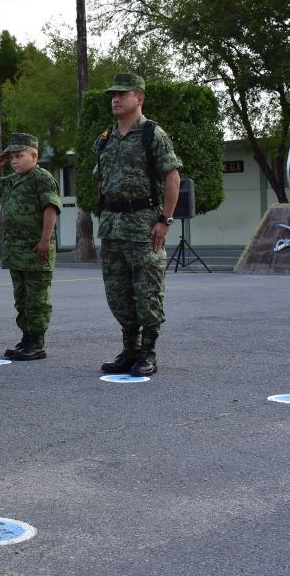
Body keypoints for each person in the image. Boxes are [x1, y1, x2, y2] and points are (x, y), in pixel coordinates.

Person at [94, 73, 181, 377]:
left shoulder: (152, 134)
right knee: (118, 294)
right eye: (113, 95)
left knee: (148, 292)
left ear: (139, 98)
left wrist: (165, 220)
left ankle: (148, 353)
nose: (115, 99)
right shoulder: (105, 138)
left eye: (123, 94)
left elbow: (172, 177)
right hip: (112, 226)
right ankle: (129, 350)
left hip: (143, 225)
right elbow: (102, 182)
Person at [0, 133, 61, 360]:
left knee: (37, 299)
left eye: (19, 156)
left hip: (37, 250)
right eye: (12, 157)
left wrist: (45, 239)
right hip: (16, 251)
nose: (14, 161)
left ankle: (36, 343)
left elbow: (50, 209)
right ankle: (26, 338)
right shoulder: (12, 180)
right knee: (22, 298)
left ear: (34, 156)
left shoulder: (41, 177)